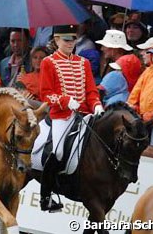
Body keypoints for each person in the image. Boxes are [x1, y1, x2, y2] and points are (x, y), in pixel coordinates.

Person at [39, 25, 104, 212]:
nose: (70, 43)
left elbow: (91, 91)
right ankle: (46, 197)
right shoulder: (48, 62)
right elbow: (46, 94)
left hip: (84, 115)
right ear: (57, 40)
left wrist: (97, 105)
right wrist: (66, 101)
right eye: (66, 40)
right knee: (58, 152)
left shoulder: (83, 62)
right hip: (62, 116)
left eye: (73, 40)